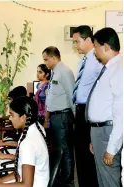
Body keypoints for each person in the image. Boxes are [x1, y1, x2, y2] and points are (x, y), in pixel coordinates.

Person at [0, 96, 50, 187]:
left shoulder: (28, 143)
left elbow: (26, 185)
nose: (9, 118)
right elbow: (21, 172)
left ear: (23, 117)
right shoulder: (35, 127)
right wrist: (0, 180)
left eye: (12, 115)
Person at [86, 27, 123, 187]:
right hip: (100, 131)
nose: (94, 51)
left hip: (108, 132)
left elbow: (121, 113)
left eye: (95, 46)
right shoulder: (110, 68)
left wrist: (112, 148)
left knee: (109, 180)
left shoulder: (119, 69)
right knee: (102, 178)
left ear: (106, 46)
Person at [72, 25, 102, 187]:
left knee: (88, 156)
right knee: (81, 155)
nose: (75, 46)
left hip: (89, 112)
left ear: (88, 40)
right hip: (80, 111)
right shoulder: (82, 62)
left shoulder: (97, 60)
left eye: (77, 42)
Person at [43, 46, 75, 187]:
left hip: (63, 116)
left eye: (46, 59)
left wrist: (76, 119)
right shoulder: (55, 72)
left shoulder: (64, 72)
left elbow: (71, 95)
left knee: (65, 150)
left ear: (54, 57)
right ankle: (61, 176)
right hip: (56, 116)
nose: (45, 63)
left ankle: (68, 181)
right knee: (58, 149)